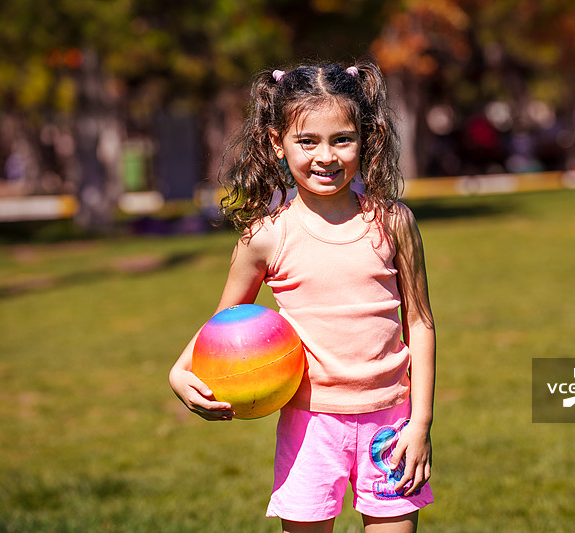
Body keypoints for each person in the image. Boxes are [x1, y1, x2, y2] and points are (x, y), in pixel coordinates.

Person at [169, 61, 436, 533]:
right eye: (307, 141)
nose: (326, 156)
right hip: (310, 426)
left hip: (391, 424)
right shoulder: (267, 236)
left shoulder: (394, 221)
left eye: (342, 139)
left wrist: (420, 423)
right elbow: (225, 319)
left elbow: (420, 322)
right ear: (277, 144)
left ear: (366, 137)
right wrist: (180, 369)